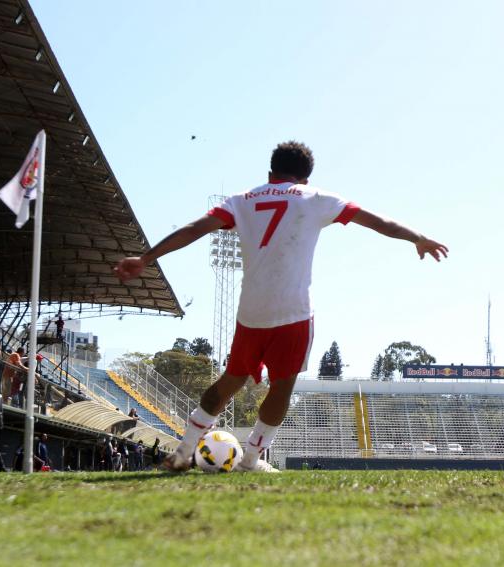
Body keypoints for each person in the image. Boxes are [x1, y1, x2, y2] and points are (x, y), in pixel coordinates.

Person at [115, 141, 448, 473]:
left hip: (252, 312)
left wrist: (146, 258)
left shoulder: (242, 200)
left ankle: (183, 452)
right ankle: (250, 460)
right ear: (305, 178)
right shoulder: (316, 198)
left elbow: (193, 229)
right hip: (293, 311)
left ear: (270, 173)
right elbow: (377, 221)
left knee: (230, 380)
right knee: (283, 385)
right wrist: (417, 237)